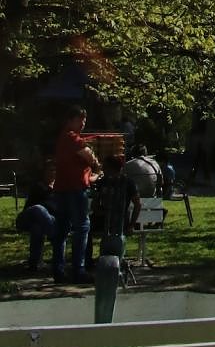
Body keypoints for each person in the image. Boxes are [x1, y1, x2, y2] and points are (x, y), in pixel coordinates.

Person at [52, 105, 99, 284]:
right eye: (80, 120)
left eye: (84, 120)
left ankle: (58, 270)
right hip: (75, 189)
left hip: (62, 188)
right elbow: (88, 156)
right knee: (82, 227)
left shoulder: (62, 138)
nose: (83, 124)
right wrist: (96, 163)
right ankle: (78, 270)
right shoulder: (71, 137)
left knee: (62, 230)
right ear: (70, 120)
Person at [90, 155, 141, 250]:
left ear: (112, 168)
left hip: (121, 220)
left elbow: (137, 205)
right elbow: (95, 202)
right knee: (84, 229)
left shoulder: (128, 183)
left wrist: (131, 225)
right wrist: (98, 211)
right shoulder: (102, 182)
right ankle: (87, 257)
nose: (103, 170)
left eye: (105, 167)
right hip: (103, 218)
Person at [17, 160, 58, 273]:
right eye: (50, 170)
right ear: (43, 172)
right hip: (27, 218)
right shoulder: (38, 187)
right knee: (39, 208)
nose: (53, 173)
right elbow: (42, 205)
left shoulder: (59, 189)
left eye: (55, 170)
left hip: (44, 221)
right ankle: (54, 237)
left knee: (37, 228)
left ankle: (35, 263)